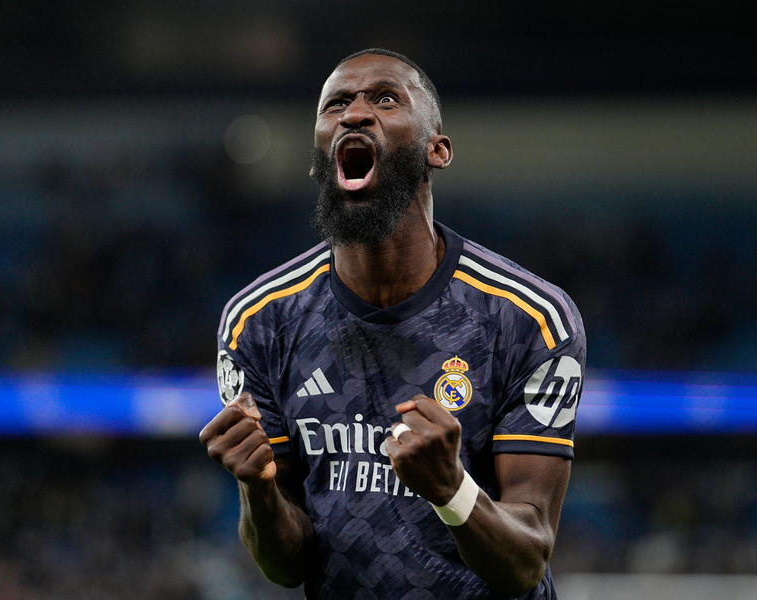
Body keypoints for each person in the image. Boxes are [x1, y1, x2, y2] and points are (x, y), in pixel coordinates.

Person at [200, 48, 586, 599]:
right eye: (335, 104)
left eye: (385, 98)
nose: (354, 114)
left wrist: (451, 490)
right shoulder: (258, 321)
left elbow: (525, 561)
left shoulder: (530, 318)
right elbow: (287, 565)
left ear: (438, 150)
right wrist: (258, 493)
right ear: (318, 161)